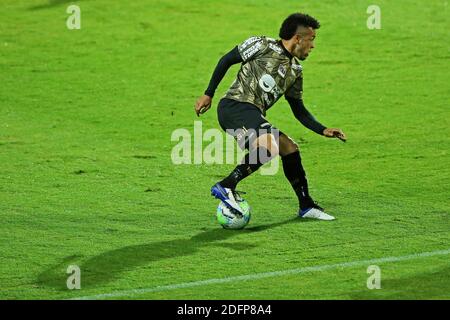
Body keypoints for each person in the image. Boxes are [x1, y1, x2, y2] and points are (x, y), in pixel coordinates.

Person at [194, 13, 346, 220]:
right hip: (234, 107)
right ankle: (226, 185)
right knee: (269, 145)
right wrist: (208, 93)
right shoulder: (262, 45)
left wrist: (322, 129)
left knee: (289, 148)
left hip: (251, 113)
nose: (313, 46)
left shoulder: (295, 70)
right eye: (312, 40)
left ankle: (306, 205)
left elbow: (298, 109)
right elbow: (227, 59)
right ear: (298, 38)